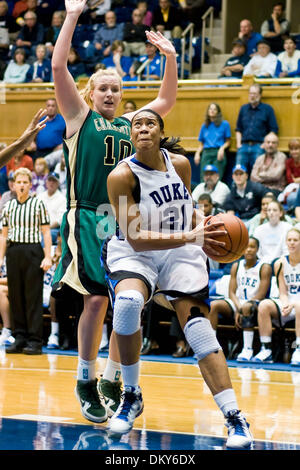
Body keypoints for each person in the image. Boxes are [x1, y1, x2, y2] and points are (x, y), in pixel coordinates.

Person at [51, 0, 178, 424]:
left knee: (128, 300)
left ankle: (110, 377)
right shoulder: (79, 117)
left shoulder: (132, 125)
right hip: (87, 215)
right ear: (90, 93)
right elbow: (57, 69)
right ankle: (85, 379)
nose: (109, 93)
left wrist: (171, 58)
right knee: (97, 299)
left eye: (115, 89)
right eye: (102, 88)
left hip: (123, 220)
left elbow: (165, 98)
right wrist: (72, 16)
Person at [103, 108, 252, 448]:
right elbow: (137, 236)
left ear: (160, 132)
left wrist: (204, 221)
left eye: (150, 123)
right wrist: (193, 237)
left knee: (199, 331)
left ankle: (235, 418)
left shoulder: (180, 164)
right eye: (136, 124)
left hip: (179, 251)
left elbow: (182, 207)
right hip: (135, 251)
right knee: (127, 304)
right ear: (131, 135)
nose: (143, 128)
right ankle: (131, 394)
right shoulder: (121, 176)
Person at [0, 167, 52, 354]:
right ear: (13, 185)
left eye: (25, 182)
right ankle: (19, 336)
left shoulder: (38, 204)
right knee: (15, 296)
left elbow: (46, 232)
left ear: (30, 185)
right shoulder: (8, 206)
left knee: (32, 297)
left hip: (32, 251)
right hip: (13, 252)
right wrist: (1, 259)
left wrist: (47, 256)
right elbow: (4, 236)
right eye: (18, 182)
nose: (21, 185)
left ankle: (35, 340)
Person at [209, 237, 272, 362]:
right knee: (214, 305)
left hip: (255, 303)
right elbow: (231, 292)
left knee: (247, 307)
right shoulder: (236, 266)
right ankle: (211, 347)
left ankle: (247, 349)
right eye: (246, 247)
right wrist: (238, 307)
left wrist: (243, 308)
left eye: (252, 247)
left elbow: (261, 294)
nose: (248, 250)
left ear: (258, 249)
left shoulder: (264, 267)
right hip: (237, 303)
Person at [252, 228, 300, 365]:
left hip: (299, 304)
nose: (292, 243)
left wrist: (294, 304)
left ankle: (298, 350)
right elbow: (283, 291)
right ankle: (266, 349)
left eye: (295, 240)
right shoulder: (280, 263)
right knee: (264, 305)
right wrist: (285, 303)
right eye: (289, 240)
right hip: (288, 302)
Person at [235, 83, 279, 174]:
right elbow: (238, 129)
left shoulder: (267, 109)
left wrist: (264, 145)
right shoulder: (243, 109)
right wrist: (239, 144)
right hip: (243, 146)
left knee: (257, 174)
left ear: (260, 95)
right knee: (238, 172)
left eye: (254, 94)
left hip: (258, 146)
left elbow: (274, 130)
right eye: (250, 93)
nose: (252, 96)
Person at [193, 103, 231, 181]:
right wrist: (197, 154)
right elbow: (201, 144)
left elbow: (228, 142)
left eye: (214, 109)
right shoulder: (204, 125)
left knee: (216, 178)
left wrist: (222, 149)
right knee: (204, 178)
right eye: (210, 109)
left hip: (218, 152)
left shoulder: (224, 124)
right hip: (206, 153)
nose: (212, 111)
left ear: (218, 112)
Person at [253, 200, 292, 264]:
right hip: (263, 263)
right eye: (269, 210)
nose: (271, 212)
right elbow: (258, 251)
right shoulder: (259, 229)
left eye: (274, 210)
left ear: (281, 213)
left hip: (283, 262)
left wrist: (281, 261)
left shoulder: (288, 228)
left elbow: (288, 251)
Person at [250, 132, 287, 197]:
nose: (270, 145)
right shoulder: (260, 158)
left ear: (277, 144)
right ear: (264, 144)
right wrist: (268, 176)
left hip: (276, 190)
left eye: (273, 142)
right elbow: (253, 177)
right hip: (260, 189)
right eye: (268, 142)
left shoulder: (282, 157)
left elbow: (275, 176)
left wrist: (261, 174)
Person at [38, 172, 66, 245]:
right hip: (38, 228)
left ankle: (43, 255)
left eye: (54, 181)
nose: (51, 183)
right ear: (46, 182)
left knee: (46, 235)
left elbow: (59, 220)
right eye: (49, 180)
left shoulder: (62, 199)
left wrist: (46, 228)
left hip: (54, 229)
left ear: (58, 183)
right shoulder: (39, 197)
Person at [278, 138, 300, 210]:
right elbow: (289, 179)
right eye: (292, 149)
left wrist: (297, 179)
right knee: (288, 197)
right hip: (293, 186)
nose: (294, 151)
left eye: (296, 149)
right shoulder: (288, 162)